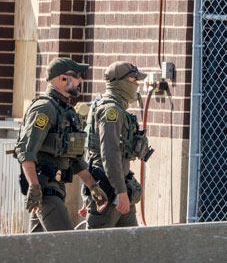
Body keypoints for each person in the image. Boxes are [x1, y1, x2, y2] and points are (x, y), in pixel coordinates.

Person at [14, 57, 108, 232]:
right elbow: (25, 151)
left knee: (40, 249)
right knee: (66, 245)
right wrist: (34, 187)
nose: (81, 80)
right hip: (45, 191)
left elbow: (74, 158)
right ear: (62, 78)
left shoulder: (65, 111)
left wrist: (93, 187)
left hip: (55, 189)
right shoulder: (44, 109)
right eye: (77, 76)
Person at [84, 61, 150, 229]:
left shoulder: (116, 108)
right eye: (134, 80)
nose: (137, 85)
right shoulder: (111, 111)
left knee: (130, 245)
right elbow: (109, 153)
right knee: (97, 247)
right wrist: (120, 191)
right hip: (109, 188)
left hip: (120, 186)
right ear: (121, 82)